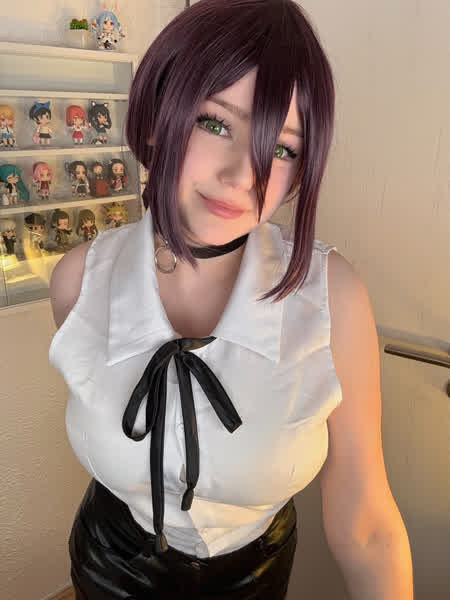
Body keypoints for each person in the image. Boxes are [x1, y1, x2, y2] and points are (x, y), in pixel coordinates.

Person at [49, 1, 413, 599]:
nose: (245, 174)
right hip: (111, 565)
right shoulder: (78, 282)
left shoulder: (333, 298)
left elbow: (367, 522)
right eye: (215, 123)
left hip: (255, 576)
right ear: (154, 119)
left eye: (283, 148)